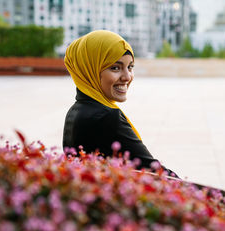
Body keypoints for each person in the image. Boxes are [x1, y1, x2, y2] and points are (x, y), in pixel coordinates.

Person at [63, 30, 176, 176]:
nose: (127, 77)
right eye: (115, 68)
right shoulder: (106, 117)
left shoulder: (77, 110)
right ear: (90, 68)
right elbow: (154, 172)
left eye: (130, 67)